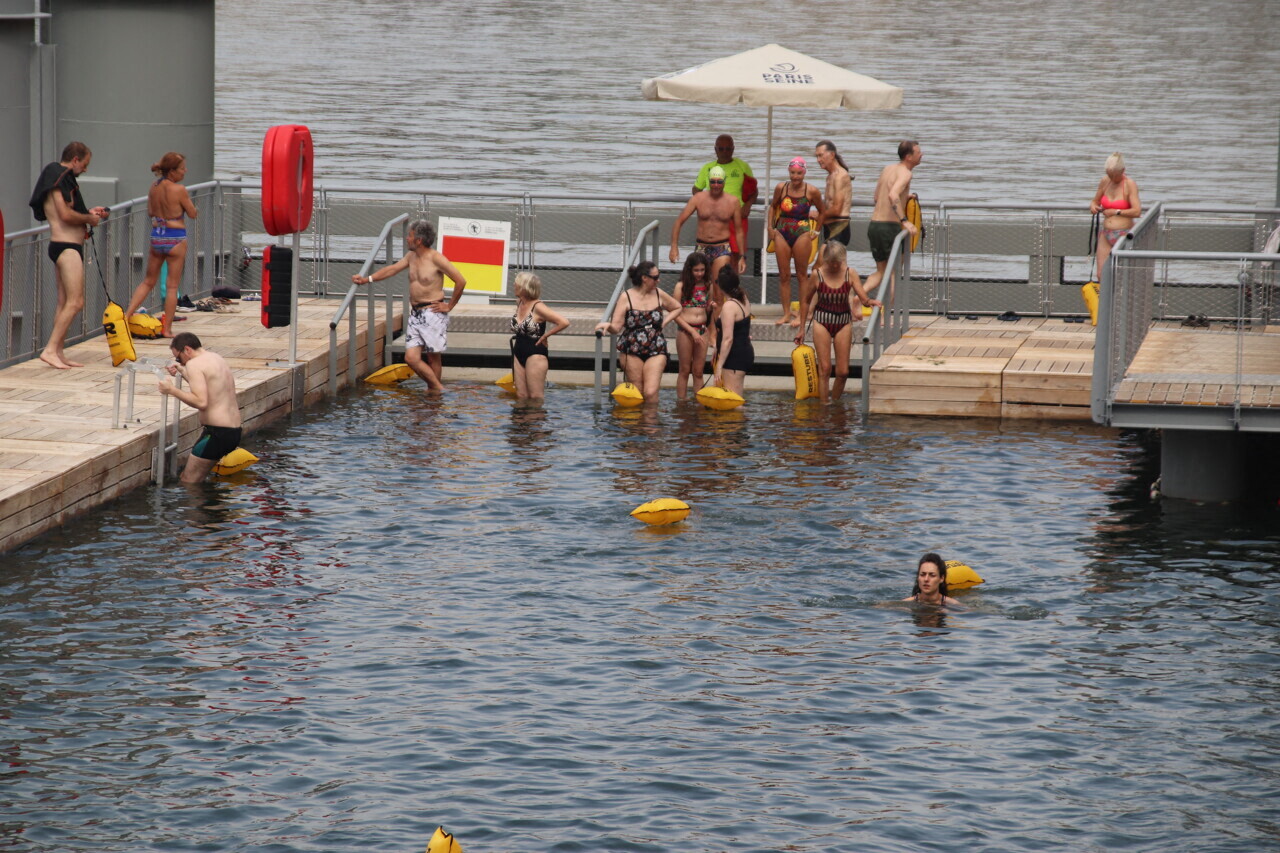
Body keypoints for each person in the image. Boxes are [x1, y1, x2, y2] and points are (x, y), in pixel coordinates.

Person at [352, 220, 466, 394]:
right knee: (411, 358)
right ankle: (439, 390)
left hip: (432, 312)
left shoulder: (436, 258)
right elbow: (392, 269)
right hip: (415, 314)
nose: (406, 238)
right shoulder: (411, 257)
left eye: (410, 235)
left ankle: (433, 395)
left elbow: (460, 281)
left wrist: (449, 306)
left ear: (419, 240)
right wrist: (367, 279)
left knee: (433, 356)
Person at [29, 141, 110, 369]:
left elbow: (69, 211)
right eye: (85, 164)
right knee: (76, 302)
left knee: (64, 302)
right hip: (65, 246)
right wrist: (89, 219)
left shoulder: (60, 178)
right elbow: (64, 215)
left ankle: (58, 352)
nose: (85, 169)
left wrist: (89, 213)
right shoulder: (57, 176)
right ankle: (49, 350)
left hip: (66, 245)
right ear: (75, 159)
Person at [125, 153, 198, 337]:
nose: (185, 171)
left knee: (148, 281)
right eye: (182, 168)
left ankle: (126, 317)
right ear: (172, 171)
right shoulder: (179, 189)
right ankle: (167, 329)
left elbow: (150, 212)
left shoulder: (154, 187)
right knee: (172, 286)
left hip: (157, 236)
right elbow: (192, 213)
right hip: (176, 238)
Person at [796, 243, 880, 403]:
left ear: (843, 259)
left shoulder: (850, 273)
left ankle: (834, 403)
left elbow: (863, 297)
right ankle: (823, 406)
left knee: (842, 372)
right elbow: (806, 301)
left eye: (837, 262)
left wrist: (870, 301)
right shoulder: (817, 274)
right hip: (821, 321)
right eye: (831, 262)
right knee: (825, 369)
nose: (834, 265)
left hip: (843, 322)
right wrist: (801, 329)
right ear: (825, 260)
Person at [158, 332, 242, 484]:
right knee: (198, 478)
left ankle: (200, 508)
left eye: (178, 357)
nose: (180, 361)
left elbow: (201, 402)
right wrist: (183, 371)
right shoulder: (216, 358)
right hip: (233, 431)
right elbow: (209, 389)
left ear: (187, 350)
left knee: (188, 480)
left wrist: (171, 390)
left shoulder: (194, 364)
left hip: (217, 434)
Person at [595, 261, 683, 402]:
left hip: (656, 347)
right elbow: (617, 327)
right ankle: (637, 423)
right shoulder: (626, 297)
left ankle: (650, 422)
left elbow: (677, 307)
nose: (658, 280)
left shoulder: (659, 294)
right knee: (638, 391)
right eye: (655, 277)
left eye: (658, 276)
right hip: (631, 348)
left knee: (650, 391)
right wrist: (607, 325)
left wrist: (664, 322)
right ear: (644, 278)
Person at [670, 165, 747, 291]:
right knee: (695, 289)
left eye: (719, 182)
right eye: (713, 182)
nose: (716, 185)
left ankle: (718, 309)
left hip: (722, 248)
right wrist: (674, 247)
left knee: (718, 291)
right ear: (708, 181)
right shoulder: (698, 198)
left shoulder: (733, 201)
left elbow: (739, 231)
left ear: (724, 181)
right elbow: (679, 222)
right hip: (702, 247)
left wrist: (742, 257)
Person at [768, 156, 825, 327]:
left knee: (802, 275)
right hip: (782, 231)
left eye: (799, 173)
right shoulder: (781, 188)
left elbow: (822, 211)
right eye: (793, 173)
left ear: (804, 172)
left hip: (802, 232)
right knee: (784, 275)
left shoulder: (812, 191)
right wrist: (770, 228)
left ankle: (802, 314)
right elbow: (773, 206)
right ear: (789, 172)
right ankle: (786, 313)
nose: (795, 176)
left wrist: (816, 230)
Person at [864, 140, 923, 300]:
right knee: (894, 274)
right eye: (918, 152)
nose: (921, 155)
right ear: (909, 157)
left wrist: (905, 197)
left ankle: (858, 298)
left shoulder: (888, 169)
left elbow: (877, 197)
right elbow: (893, 195)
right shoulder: (906, 173)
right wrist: (905, 220)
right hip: (890, 227)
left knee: (881, 272)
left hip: (874, 225)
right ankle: (886, 317)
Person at [692, 134, 758, 255]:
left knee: (736, 254)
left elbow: (754, 191)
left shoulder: (743, 166)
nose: (724, 152)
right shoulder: (707, 168)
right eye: (721, 149)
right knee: (712, 255)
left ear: (733, 149)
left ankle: (734, 274)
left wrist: (748, 205)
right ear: (715, 149)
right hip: (714, 218)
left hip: (737, 217)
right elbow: (696, 189)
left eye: (728, 149)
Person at [508, 272, 569, 401]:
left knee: (535, 397)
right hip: (518, 351)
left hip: (535, 353)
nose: (514, 285)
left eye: (517, 283)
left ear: (525, 287)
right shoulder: (519, 302)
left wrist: (546, 335)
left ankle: (535, 420)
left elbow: (564, 322)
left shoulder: (538, 307)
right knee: (521, 396)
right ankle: (519, 421)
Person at [1089, 152, 1141, 282]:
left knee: (1121, 275)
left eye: (1115, 175)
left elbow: (1137, 211)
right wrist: (1094, 206)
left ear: (1122, 171)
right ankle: (1104, 300)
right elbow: (1095, 201)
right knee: (1101, 274)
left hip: (1124, 233)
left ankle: (1119, 301)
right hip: (1106, 233)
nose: (1112, 178)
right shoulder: (1105, 181)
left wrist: (1116, 211)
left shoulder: (1129, 184)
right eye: (1109, 174)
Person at [672, 251, 714, 400]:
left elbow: (707, 309)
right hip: (685, 330)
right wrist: (691, 331)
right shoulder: (681, 286)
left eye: (702, 270)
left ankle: (699, 402)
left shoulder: (708, 285)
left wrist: (711, 306)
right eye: (696, 270)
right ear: (689, 269)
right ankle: (681, 402)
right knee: (684, 369)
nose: (699, 273)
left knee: (698, 371)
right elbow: (674, 313)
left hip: (702, 329)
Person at [712, 266, 753, 395]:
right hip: (743, 351)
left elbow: (728, 339)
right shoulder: (743, 297)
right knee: (730, 398)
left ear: (720, 286)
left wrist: (719, 366)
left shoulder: (729, 306)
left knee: (733, 399)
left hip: (734, 357)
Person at [814, 140, 853, 247]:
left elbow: (837, 209)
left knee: (822, 262)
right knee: (827, 263)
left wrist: (817, 215)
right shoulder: (830, 176)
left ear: (832, 155)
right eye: (816, 156)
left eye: (821, 155)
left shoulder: (840, 176)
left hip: (839, 228)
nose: (818, 160)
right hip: (829, 227)